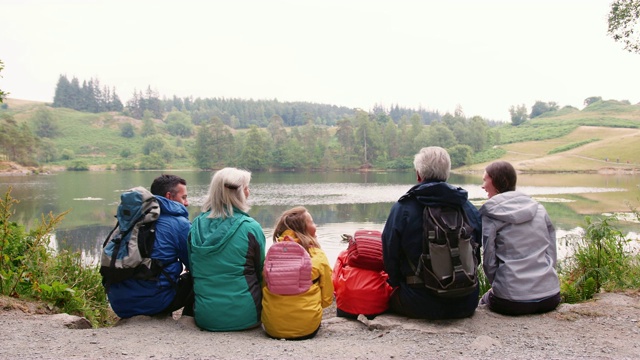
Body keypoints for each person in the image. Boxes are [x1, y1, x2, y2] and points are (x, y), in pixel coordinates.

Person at [382, 146, 482, 319]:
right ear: (447, 173)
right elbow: (477, 254)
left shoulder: (404, 207)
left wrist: (396, 283)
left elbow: (390, 253)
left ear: (419, 174)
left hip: (419, 304)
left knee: (381, 298)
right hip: (466, 302)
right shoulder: (467, 207)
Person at [188, 167, 266, 331]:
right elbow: (261, 271)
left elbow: (193, 267)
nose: (249, 192)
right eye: (246, 188)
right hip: (247, 316)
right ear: (239, 194)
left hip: (206, 317)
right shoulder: (250, 228)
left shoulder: (195, 225)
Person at [479, 161, 561, 315]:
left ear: (496, 181)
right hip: (550, 296)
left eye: (485, 180)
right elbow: (552, 252)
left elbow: (489, 261)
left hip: (511, 301)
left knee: (483, 301)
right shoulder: (539, 209)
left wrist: (497, 285)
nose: (482, 186)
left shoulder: (491, 215)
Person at [107, 174, 193, 318]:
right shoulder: (179, 224)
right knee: (201, 275)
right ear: (169, 197)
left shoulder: (131, 219)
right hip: (154, 304)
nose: (187, 203)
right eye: (183, 197)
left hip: (118, 304)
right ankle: (190, 321)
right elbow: (195, 264)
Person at [261, 206, 334, 340]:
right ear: (303, 229)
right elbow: (327, 298)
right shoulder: (317, 254)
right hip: (307, 327)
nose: (315, 225)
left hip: (273, 327)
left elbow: (264, 286)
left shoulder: (272, 255)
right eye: (311, 222)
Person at [332, 248, 393, 320]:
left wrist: (340, 294)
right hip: (375, 307)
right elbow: (391, 277)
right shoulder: (382, 254)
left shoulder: (345, 254)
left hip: (346, 306)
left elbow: (334, 279)